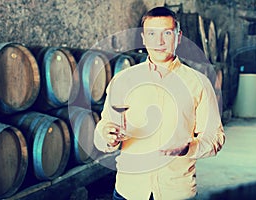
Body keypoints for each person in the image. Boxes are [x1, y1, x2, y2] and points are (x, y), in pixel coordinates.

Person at [94, 6, 225, 200]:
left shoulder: (198, 83)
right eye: (152, 34)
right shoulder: (123, 80)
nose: (159, 41)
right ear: (144, 38)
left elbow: (215, 138)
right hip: (129, 190)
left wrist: (187, 148)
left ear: (178, 37)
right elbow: (103, 130)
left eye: (167, 33)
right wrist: (107, 136)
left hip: (176, 191)